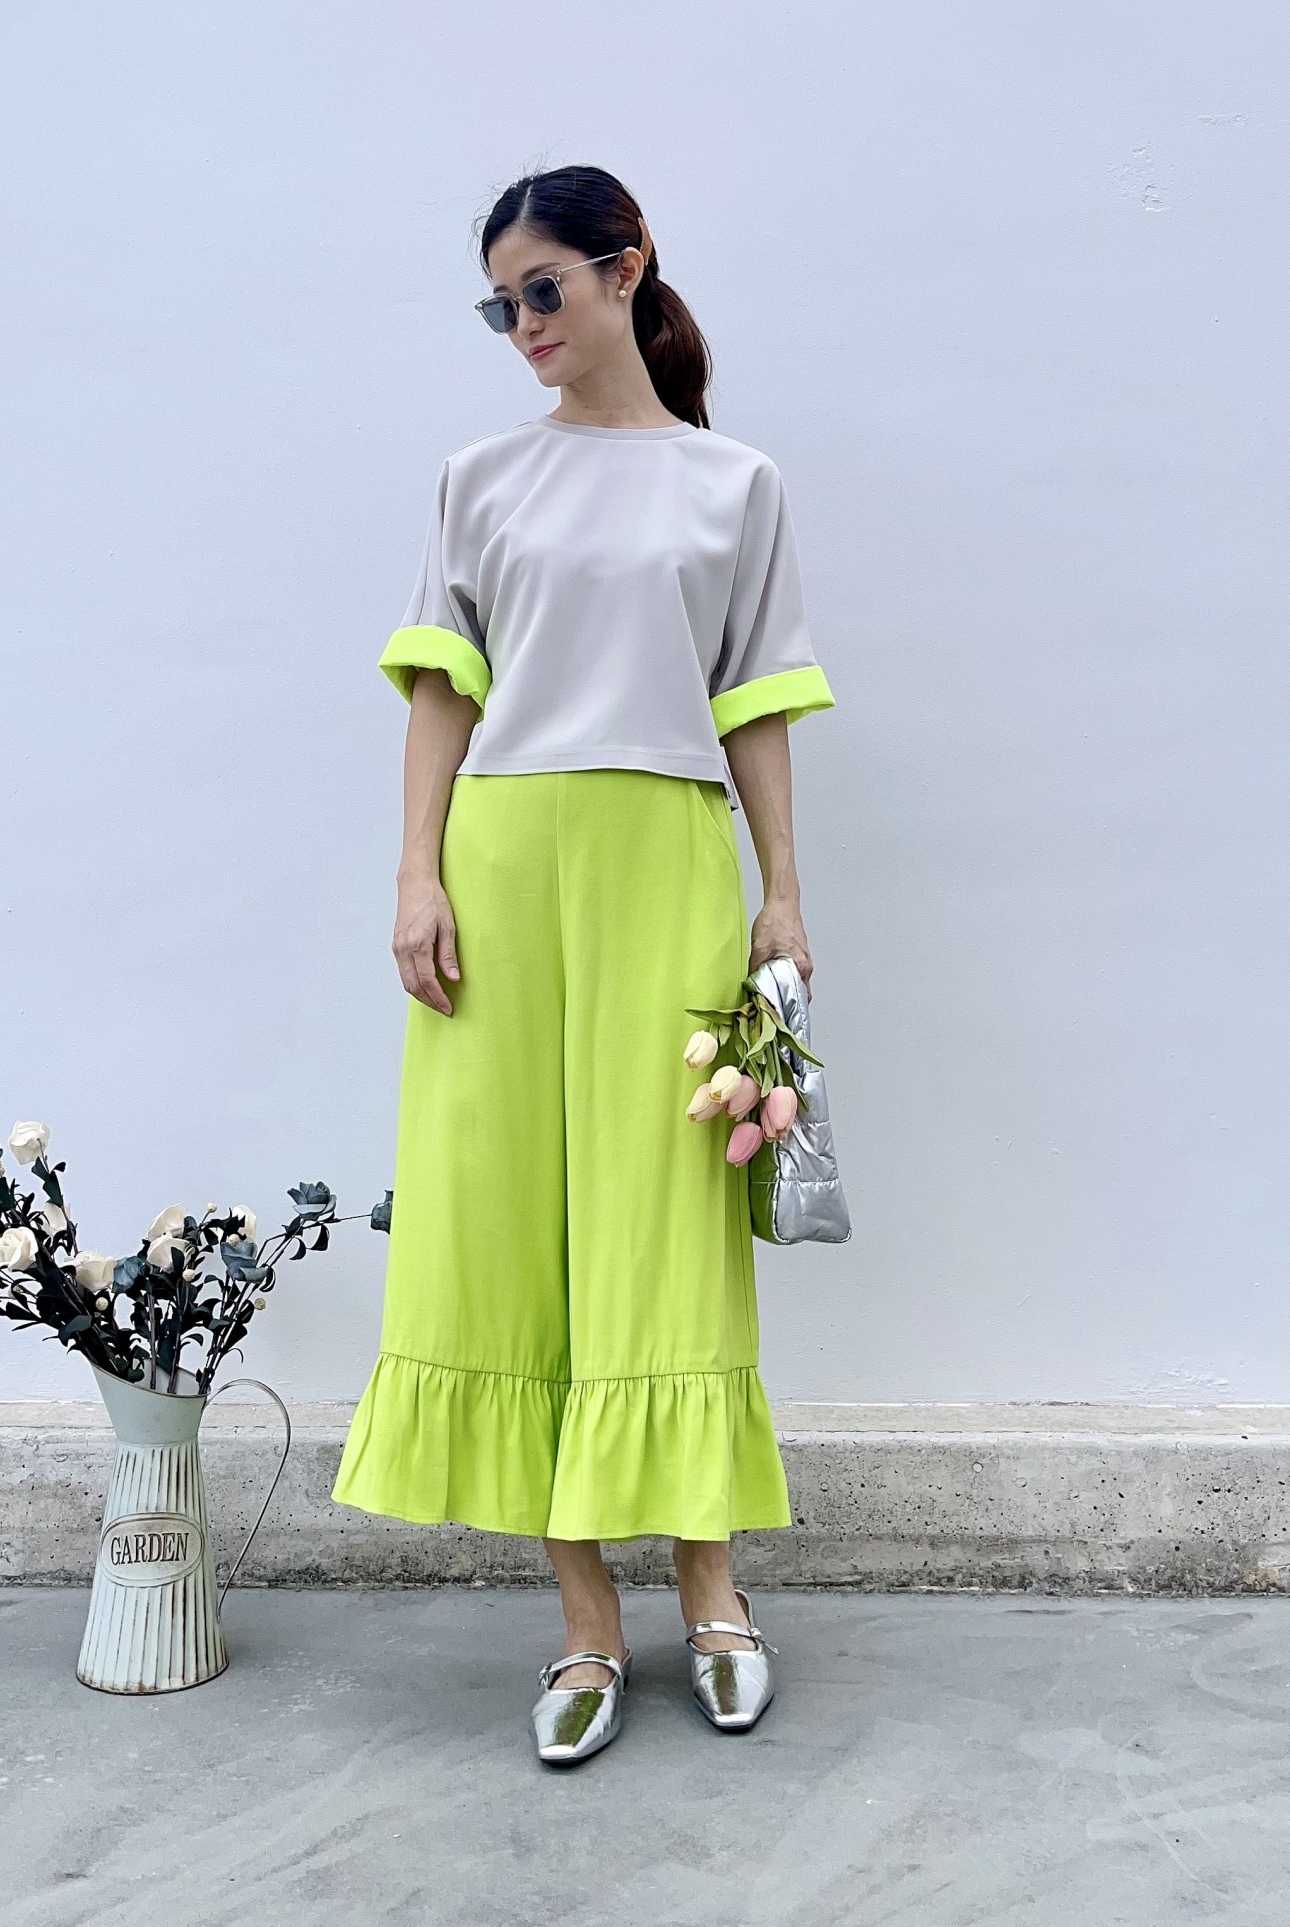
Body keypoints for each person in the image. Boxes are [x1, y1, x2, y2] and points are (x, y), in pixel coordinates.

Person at [332, 164, 834, 1766]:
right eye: (500, 306)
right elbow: (442, 692)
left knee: (663, 1222)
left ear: (627, 271)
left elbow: (756, 701)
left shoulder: (733, 484)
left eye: (541, 291)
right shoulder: (479, 477)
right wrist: (415, 873)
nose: (522, 327)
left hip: (663, 865)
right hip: (503, 870)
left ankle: (712, 1594)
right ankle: (584, 1622)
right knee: (514, 1221)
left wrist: (782, 897)